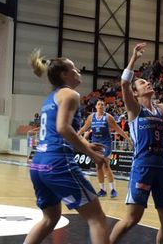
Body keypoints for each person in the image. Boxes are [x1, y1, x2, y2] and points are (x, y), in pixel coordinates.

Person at [25, 49, 108, 244]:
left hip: (38, 165)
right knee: (97, 218)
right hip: (58, 163)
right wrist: (90, 153)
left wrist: (86, 143)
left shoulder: (51, 98)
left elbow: (59, 129)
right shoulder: (71, 94)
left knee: (50, 218)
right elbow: (63, 128)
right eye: (73, 68)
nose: (78, 71)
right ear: (64, 74)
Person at [109, 43, 163, 244]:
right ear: (136, 93)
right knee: (132, 219)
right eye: (142, 83)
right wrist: (133, 57)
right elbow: (124, 84)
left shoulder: (160, 109)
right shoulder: (134, 108)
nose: (148, 83)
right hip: (143, 166)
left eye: (147, 82)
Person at [78, 99, 132, 198]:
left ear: (105, 107)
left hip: (106, 143)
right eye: (99, 104)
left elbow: (118, 129)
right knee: (98, 166)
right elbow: (84, 128)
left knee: (106, 165)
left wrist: (128, 139)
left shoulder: (108, 117)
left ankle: (113, 189)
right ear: (96, 107)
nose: (100, 106)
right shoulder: (91, 117)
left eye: (102, 104)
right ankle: (102, 189)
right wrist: (76, 135)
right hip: (95, 144)